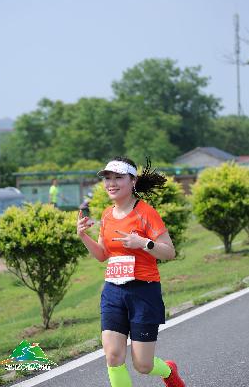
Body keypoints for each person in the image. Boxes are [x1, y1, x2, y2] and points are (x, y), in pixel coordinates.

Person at [77, 156, 185, 387]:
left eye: (118, 178)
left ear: (132, 181)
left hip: (143, 292)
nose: (111, 183)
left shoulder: (146, 213)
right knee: (113, 355)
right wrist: (83, 236)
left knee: (142, 365)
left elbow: (169, 252)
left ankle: (168, 371)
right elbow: (102, 255)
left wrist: (144, 243)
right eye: (107, 178)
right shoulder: (107, 214)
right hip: (113, 292)